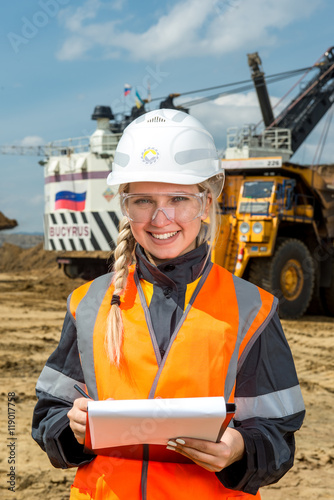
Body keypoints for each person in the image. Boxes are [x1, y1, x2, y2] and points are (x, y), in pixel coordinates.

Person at [32, 109, 305, 499]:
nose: (161, 218)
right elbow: (48, 416)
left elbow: (278, 437)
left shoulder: (252, 310)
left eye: (179, 198)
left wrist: (239, 450)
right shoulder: (88, 303)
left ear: (207, 203)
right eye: (143, 201)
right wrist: (71, 429)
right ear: (125, 205)